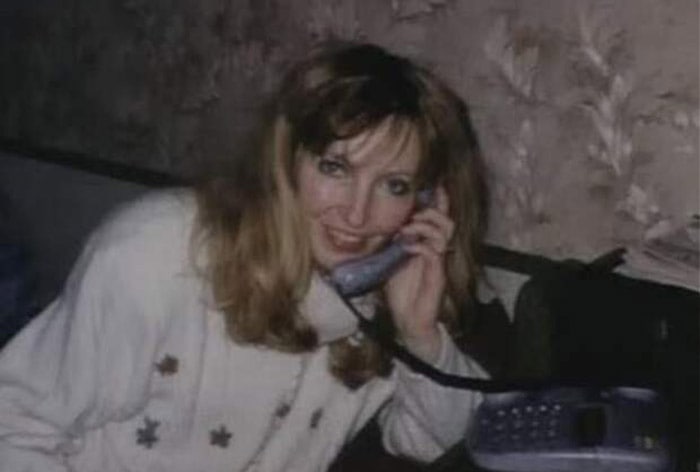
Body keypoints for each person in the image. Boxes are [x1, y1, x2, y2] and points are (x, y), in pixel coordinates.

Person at [0, 41, 488, 472]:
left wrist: (421, 336)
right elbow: (12, 424)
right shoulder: (157, 250)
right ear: (284, 161)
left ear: (427, 202)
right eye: (334, 167)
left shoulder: (376, 299)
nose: (357, 214)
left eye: (395, 185)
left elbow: (443, 444)